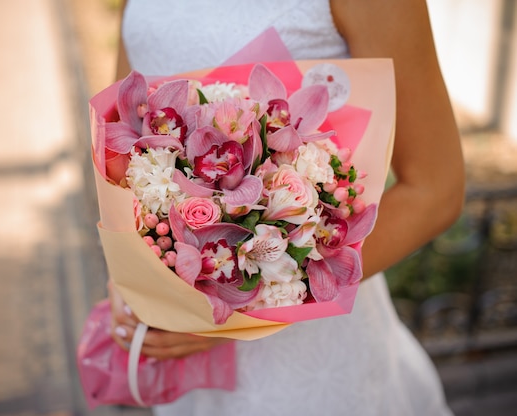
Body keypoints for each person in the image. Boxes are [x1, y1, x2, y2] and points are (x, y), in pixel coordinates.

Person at [108, 0, 465, 414]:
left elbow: (435, 190)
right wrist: (131, 274)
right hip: (183, 363)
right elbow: (118, 139)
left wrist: (245, 310)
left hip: (311, 369)